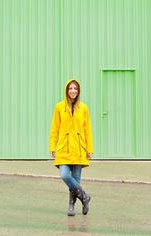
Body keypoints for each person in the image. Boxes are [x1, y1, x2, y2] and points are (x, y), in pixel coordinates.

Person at [49, 79, 94, 216]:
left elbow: (88, 130)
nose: (73, 91)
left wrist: (90, 149)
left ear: (78, 91)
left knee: (75, 178)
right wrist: (52, 146)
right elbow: (54, 128)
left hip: (79, 149)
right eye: (70, 88)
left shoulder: (84, 108)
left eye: (75, 88)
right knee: (64, 175)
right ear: (66, 91)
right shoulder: (59, 107)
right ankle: (85, 197)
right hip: (64, 147)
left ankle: (71, 206)